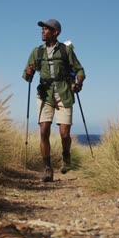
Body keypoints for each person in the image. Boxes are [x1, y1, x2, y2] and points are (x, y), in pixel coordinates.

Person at [23, 19, 86, 182]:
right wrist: (28, 72)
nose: (42, 32)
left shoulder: (66, 50)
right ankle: (47, 169)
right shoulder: (37, 52)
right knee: (44, 131)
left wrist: (78, 83)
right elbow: (27, 77)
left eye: (46, 29)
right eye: (42, 29)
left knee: (64, 134)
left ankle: (66, 156)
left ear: (56, 32)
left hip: (64, 94)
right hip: (44, 95)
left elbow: (79, 69)